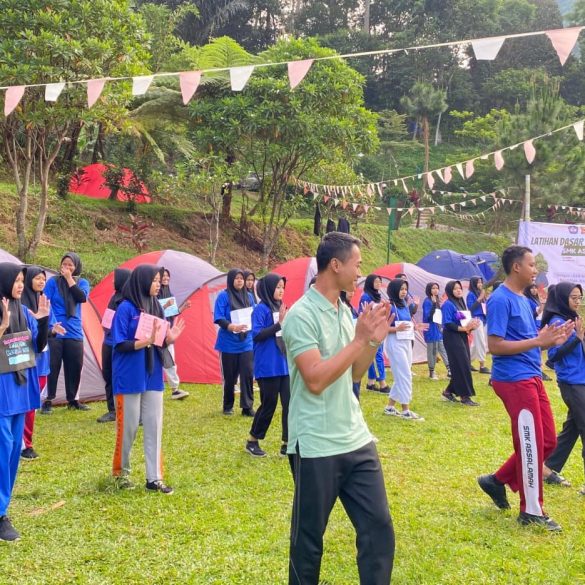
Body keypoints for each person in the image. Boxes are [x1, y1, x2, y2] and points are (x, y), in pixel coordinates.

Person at [282, 232, 395, 585]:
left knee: (379, 529)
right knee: (308, 541)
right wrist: (360, 339)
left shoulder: (344, 311)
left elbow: (355, 373)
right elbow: (315, 379)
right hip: (315, 443)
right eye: (357, 265)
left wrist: (372, 340)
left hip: (355, 438)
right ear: (335, 265)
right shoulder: (300, 315)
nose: (361, 272)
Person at [478, 245, 572, 532]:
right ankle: (532, 510)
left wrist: (550, 341)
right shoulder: (500, 299)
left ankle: (496, 480)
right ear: (516, 267)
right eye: (532, 265)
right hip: (514, 380)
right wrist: (538, 342)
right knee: (530, 442)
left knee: (547, 442)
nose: (535, 270)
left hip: (532, 375)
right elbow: (495, 346)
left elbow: (529, 341)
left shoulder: (524, 299)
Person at [111, 265, 185, 493]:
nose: (158, 285)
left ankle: (154, 478)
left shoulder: (157, 307)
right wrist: (145, 341)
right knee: (129, 426)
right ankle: (121, 473)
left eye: (159, 281)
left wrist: (169, 339)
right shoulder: (125, 308)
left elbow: (160, 339)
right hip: (129, 374)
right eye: (154, 280)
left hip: (152, 372)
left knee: (154, 424)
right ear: (141, 281)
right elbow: (119, 344)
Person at [0, 263, 49, 541]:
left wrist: (42, 320)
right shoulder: (3, 310)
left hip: (19, 390)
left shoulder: (22, 310)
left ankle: (2, 508)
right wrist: (3, 326)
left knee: (12, 453)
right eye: (16, 280)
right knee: (3, 448)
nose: (20, 285)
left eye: (22, 280)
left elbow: (38, 346)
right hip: (2, 391)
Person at [540, 283, 585, 492]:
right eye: (573, 297)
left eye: (579, 297)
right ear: (562, 298)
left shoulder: (572, 318)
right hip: (572, 382)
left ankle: (548, 468)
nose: (577, 301)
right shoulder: (558, 322)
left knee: (573, 427)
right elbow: (553, 356)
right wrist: (577, 338)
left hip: (581, 379)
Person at [20, 267, 65, 456]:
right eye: (37, 278)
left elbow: (47, 329)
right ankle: (24, 445)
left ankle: (26, 442)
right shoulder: (19, 305)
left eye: (43, 279)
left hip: (42, 360)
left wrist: (53, 330)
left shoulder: (44, 301)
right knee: (24, 404)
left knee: (33, 403)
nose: (41, 282)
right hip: (24, 361)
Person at [245, 273, 290, 458]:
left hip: (284, 364)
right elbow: (257, 335)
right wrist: (278, 324)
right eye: (277, 287)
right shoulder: (260, 310)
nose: (281, 291)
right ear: (268, 288)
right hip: (267, 365)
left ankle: (288, 442)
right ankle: (252, 440)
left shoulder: (282, 307)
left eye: (282, 287)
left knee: (290, 403)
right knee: (269, 404)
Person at [41, 252, 90, 413]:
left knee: (75, 366)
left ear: (76, 267)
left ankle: (73, 400)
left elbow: (81, 298)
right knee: (52, 365)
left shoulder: (82, 283)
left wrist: (69, 279)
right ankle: (48, 400)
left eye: (70, 265)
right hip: (56, 330)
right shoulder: (53, 282)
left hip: (74, 331)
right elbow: (45, 302)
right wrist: (53, 324)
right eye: (64, 264)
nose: (67, 268)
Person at [383, 279, 427, 420]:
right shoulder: (389, 306)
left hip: (407, 341)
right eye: (401, 289)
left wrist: (415, 327)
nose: (404, 292)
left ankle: (390, 407)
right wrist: (396, 329)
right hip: (394, 343)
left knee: (402, 374)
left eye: (405, 289)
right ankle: (405, 410)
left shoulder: (404, 305)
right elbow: (381, 328)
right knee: (405, 375)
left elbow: (406, 324)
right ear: (394, 290)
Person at [214, 269, 255, 416]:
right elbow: (219, 317)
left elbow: (254, 314)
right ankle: (228, 405)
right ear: (231, 280)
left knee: (247, 374)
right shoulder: (223, 296)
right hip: (228, 344)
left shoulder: (249, 296)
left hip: (246, 342)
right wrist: (232, 327)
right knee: (230, 377)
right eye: (237, 278)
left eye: (241, 278)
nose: (240, 281)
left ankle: (247, 407)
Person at [97, 268, 131, 423]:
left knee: (121, 376)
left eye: (115, 279)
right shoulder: (114, 297)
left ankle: (128, 410)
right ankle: (112, 410)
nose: (112, 281)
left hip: (120, 344)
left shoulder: (129, 301)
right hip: (108, 342)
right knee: (108, 375)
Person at [441, 280, 480, 406]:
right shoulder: (448, 304)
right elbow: (448, 323)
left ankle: (448, 391)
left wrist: (472, 326)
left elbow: (464, 323)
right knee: (462, 364)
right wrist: (464, 328)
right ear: (450, 291)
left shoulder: (461, 303)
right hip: (452, 337)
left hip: (461, 336)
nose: (458, 290)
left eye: (459, 288)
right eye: (455, 288)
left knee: (463, 364)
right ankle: (465, 397)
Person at [158, 268, 190, 400]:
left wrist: (183, 308)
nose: (166, 278)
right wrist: (165, 306)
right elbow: (154, 311)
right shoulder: (155, 294)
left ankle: (175, 389)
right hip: (158, 332)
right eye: (163, 276)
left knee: (170, 359)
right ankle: (172, 389)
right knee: (164, 359)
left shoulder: (169, 293)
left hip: (169, 331)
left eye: (167, 276)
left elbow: (171, 313)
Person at [360, 274, 389, 393]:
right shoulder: (366, 296)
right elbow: (363, 313)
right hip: (371, 331)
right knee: (377, 356)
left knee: (374, 356)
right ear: (370, 283)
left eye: (380, 282)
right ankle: (382, 383)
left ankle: (371, 383)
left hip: (379, 329)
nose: (378, 284)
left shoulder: (378, 296)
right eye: (376, 281)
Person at [422, 282, 451, 380]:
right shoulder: (427, 301)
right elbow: (429, 317)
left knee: (443, 349)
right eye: (433, 288)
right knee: (433, 350)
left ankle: (450, 370)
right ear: (429, 290)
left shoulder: (437, 300)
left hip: (438, 329)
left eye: (437, 288)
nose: (435, 290)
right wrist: (434, 304)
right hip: (431, 329)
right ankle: (432, 372)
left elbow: (439, 315)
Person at [524, 283, 553, 382]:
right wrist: (538, 311)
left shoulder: (536, 299)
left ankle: (539, 369)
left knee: (539, 349)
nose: (534, 290)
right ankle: (538, 370)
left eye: (535, 288)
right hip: (533, 327)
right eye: (531, 288)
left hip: (539, 326)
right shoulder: (527, 300)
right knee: (536, 349)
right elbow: (528, 316)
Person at [467, 276, 490, 374]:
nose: (480, 284)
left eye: (481, 282)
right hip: (476, 319)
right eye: (478, 282)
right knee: (481, 342)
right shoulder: (471, 294)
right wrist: (479, 298)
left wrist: (484, 298)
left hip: (482, 320)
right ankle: (482, 365)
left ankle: (467, 362)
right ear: (474, 283)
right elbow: (470, 308)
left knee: (476, 343)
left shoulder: (480, 293)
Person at [341, 289, 361, 399]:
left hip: (354, 347)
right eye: (349, 291)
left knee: (355, 381)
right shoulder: (340, 307)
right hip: (345, 349)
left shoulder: (351, 308)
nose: (352, 293)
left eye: (353, 291)